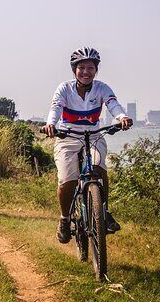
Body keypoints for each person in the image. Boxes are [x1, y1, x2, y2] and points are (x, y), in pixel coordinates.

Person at [42, 47, 133, 244]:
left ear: (96, 70)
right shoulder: (64, 89)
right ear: (74, 70)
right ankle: (65, 219)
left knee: (100, 169)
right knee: (67, 180)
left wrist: (122, 116)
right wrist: (51, 124)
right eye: (81, 67)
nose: (86, 72)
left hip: (94, 135)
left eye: (90, 68)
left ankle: (104, 212)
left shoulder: (102, 88)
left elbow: (113, 103)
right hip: (67, 136)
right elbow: (56, 107)